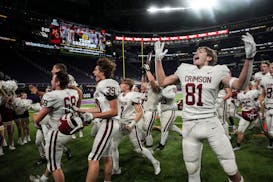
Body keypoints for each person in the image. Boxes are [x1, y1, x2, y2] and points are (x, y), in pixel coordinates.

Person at [154, 32, 256, 182]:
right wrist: (158, 61)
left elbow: (241, 84)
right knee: (192, 170)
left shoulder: (218, 70)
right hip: (189, 126)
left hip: (210, 123)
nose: (196, 53)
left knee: (230, 167)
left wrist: (249, 59)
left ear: (209, 58)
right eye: (196, 51)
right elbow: (162, 82)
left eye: (200, 51)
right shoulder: (184, 69)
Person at [30, 71, 79, 182]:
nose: (51, 81)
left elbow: (39, 118)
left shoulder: (51, 95)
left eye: (53, 79)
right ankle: (43, 179)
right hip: (69, 130)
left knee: (55, 166)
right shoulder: (73, 92)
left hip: (57, 132)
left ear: (57, 82)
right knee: (54, 159)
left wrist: (36, 119)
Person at [76, 57, 120, 182]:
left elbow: (114, 111)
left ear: (102, 71)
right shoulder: (101, 85)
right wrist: (79, 110)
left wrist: (93, 116)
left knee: (93, 157)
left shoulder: (108, 83)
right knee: (107, 156)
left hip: (109, 123)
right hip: (106, 123)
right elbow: (98, 109)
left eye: (96, 70)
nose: (93, 72)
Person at [111, 78, 160, 175]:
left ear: (127, 86)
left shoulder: (133, 95)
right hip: (121, 123)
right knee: (113, 146)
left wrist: (131, 124)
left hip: (130, 124)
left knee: (139, 149)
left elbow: (140, 112)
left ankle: (155, 163)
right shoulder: (121, 95)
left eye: (122, 83)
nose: (120, 85)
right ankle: (116, 168)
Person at [233, 83, 261, 151]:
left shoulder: (253, 92)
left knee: (266, 131)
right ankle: (238, 145)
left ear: (248, 85)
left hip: (254, 115)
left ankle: (270, 141)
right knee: (240, 131)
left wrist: (258, 104)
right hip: (246, 114)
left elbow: (262, 95)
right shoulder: (240, 94)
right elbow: (239, 104)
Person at [259, 62, 273, 149]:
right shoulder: (265, 79)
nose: (271, 69)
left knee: (271, 132)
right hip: (267, 108)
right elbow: (263, 93)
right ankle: (271, 143)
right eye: (271, 68)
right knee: (267, 131)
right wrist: (260, 101)